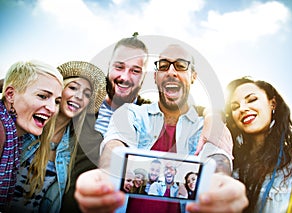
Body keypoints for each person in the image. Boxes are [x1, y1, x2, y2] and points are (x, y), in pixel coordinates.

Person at [75, 43, 241, 213]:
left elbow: (217, 156)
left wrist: (219, 181)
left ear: (193, 76)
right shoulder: (130, 113)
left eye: (181, 65)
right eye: (163, 66)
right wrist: (108, 173)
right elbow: (115, 145)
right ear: (155, 76)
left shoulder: (203, 126)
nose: (171, 72)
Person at [60, 34, 151, 213]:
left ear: (143, 77)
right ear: (109, 66)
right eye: (119, 67)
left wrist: (213, 115)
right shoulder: (83, 105)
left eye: (135, 70)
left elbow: (195, 113)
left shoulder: (150, 115)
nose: (125, 77)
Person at [9, 61, 106, 213]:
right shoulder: (27, 126)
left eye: (87, 94)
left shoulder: (74, 146)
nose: (79, 96)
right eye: (73, 88)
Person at [225, 77, 292, 213]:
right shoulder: (230, 165)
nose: (243, 108)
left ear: (273, 104)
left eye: (252, 99)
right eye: (235, 107)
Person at [0, 60, 63, 211]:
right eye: (42, 96)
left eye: (56, 101)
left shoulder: (15, 136)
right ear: (10, 94)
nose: (52, 109)